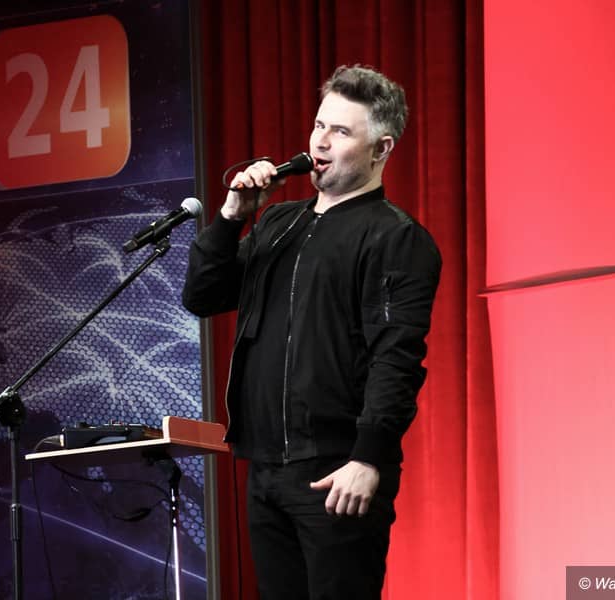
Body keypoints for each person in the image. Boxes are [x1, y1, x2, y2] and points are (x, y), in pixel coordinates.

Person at [182, 64, 441, 600]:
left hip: (337, 471)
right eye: (319, 125)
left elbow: (396, 357)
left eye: (341, 131)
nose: (320, 141)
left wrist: (368, 458)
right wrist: (231, 218)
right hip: (265, 469)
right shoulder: (279, 223)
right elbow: (203, 296)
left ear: (381, 149)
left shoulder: (395, 237)